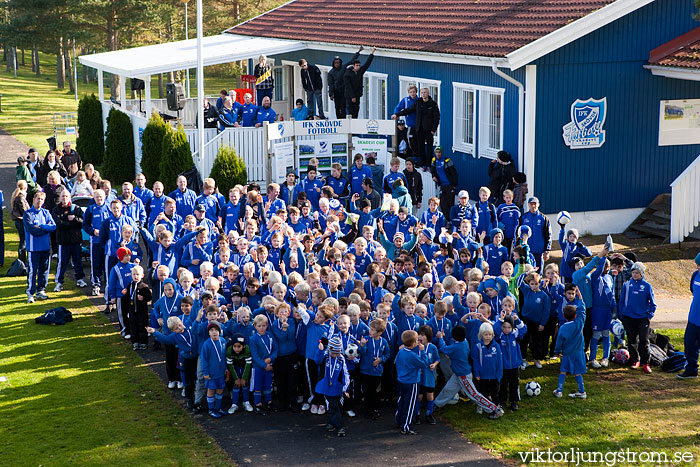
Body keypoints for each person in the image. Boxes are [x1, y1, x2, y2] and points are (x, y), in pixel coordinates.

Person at [619, 262, 656, 374]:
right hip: (629, 318)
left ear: (641, 274)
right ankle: (635, 360)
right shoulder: (626, 285)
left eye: (637, 273)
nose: (634, 275)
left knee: (644, 340)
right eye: (633, 272)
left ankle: (646, 363)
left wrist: (649, 315)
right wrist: (622, 315)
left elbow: (653, 303)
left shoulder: (647, 286)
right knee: (631, 340)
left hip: (642, 318)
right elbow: (621, 301)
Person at [393, 87, 440, 168]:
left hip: (429, 130)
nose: (423, 94)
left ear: (428, 93)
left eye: (425, 92)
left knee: (429, 148)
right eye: (422, 93)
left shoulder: (433, 104)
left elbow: (437, 118)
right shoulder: (418, 103)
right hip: (419, 129)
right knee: (420, 147)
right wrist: (397, 114)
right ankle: (423, 164)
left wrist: (433, 130)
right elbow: (408, 110)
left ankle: (429, 165)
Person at [394, 329, 430, 434]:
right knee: (410, 404)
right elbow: (424, 363)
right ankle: (406, 426)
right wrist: (422, 351)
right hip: (412, 382)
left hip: (401, 380)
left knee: (401, 401)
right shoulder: (413, 356)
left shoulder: (401, 352)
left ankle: (399, 420)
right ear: (414, 343)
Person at [315, 335, 350, 437]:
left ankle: (332, 423)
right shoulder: (325, 356)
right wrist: (320, 351)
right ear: (329, 349)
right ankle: (340, 427)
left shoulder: (341, 359)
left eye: (337, 352)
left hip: (337, 388)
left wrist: (345, 388)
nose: (334, 355)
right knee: (332, 405)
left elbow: (345, 374)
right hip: (326, 387)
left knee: (337, 406)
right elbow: (317, 361)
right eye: (333, 352)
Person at [24, 191, 56, 303]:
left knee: (44, 270)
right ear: (33, 199)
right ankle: (30, 293)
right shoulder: (28, 214)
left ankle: (41, 290)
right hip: (33, 249)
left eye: (42, 199)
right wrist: (45, 230)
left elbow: (53, 226)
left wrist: (41, 227)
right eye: (38, 199)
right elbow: (31, 230)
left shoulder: (46, 212)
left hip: (45, 247)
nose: (39, 201)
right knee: (32, 271)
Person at [52, 189, 87, 292]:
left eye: (67, 196)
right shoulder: (56, 209)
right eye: (63, 196)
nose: (65, 198)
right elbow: (59, 224)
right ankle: (59, 282)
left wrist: (74, 219)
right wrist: (69, 220)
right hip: (63, 241)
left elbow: (82, 222)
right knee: (62, 263)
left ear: (70, 197)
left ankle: (80, 279)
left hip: (75, 241)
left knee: (78, 261)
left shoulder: (76, 208)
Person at [553, 303, 587, 399]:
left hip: (567, 353)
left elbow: (559, 341)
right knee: (578, 372)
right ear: (575, 315)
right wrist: (580, 301)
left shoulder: (563, 328)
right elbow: (582, 312)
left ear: (563, 316)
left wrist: (557, 351)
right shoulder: (579, 324)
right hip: (579, 352)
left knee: (563, 371)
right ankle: (582, 391)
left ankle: (559, 390)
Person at [200, 322, 229, 418]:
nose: (214, 332)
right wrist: (205, 372)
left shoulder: (223, 341)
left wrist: (225, 368)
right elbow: (204, 360)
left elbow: (224, 356)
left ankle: (218, 407)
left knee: (220, 389)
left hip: (220, 372)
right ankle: (211, 409)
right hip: (211, 373)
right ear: (208, 333)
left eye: (216, 330)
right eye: (212, 330)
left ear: (220, 332)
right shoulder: (206, 344)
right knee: (211, 390)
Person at [679, 253, 700, 379]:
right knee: (689, 344)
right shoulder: (695, 275)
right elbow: (693, 291)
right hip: (693, 318)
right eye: (697, 265)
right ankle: (691, 369)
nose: (698, 267)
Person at [519, 197, 551, 271]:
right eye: (531, 204)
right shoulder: (523, 217)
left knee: (538, 273)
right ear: (528, 205)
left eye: (535, 204)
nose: (533, 206)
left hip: (539, 250)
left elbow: (548, 235)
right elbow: (518, 234)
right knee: (527, 272)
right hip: (526, 251)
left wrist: (547, 250)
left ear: (538, 205)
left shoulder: (544, 218)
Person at [327, 48, 362, 119]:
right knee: (337, 107)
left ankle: (343, 119)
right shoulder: (331, 72)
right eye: (335, 63)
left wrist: (358, 52)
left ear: (340, 63)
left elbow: (351, 61)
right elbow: (330, 84)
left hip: (343, 91)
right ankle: (339, 119)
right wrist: (330, 94)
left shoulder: (343, 68)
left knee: (343, 106)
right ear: (333, 64)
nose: (337, 64)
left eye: (338, 63)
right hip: (336, 92)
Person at [343, 47, 376, 118]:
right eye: (356, 65)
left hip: (357, 94)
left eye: (359, 65)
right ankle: (350, 124)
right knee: (350, 111)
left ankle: (355, 122)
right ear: (353, 66)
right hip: (349, 95)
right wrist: (352, 96)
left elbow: (367, 64)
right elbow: (348, 87)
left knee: (356, 110)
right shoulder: (347, 74)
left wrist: (372, 53)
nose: (358, 67)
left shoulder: (360, 72)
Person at [125, 264, 152, 350]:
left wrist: (143, 298)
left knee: (142, 326)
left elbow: (149, 297)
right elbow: (127, 298)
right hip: (132, 310)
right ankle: (135, 342)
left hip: (142, 311)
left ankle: (143, 342)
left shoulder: (144, 287)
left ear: (142, 275)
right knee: (133, 326)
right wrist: (124, 294)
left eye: (137, 274)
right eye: (134, 274)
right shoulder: (130, 286)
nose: (135, 276)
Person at [430, 147, 457, 218]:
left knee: (450, 203)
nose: (438, 154)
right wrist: (433, 176)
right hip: (442, 185)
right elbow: (433, 170)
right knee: (443, 204)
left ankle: (452, 220)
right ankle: (448, 220)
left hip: (449, 184)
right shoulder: (434, 161)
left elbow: (454, 173)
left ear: (441, 153)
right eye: (437, 152)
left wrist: (454, 185)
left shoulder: (447, 161)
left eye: (439, 152)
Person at [11, 180, 29, 262]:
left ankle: (22, 259)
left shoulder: (17, 195)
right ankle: (22, 260)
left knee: (23, 240)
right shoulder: (21, 197)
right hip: (20, 221)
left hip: (18, 221)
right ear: (25, 187)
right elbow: (24, 210)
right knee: (23, 241)